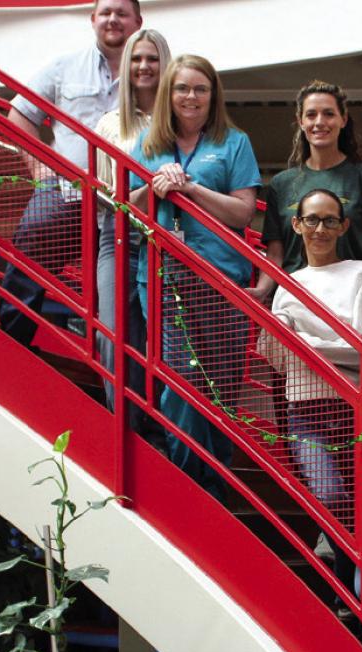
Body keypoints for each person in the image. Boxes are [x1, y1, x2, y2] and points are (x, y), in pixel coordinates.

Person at [129, 54, 261, 500]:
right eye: (183, 88)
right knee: (178, 385)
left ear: (213, 96)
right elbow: (128, 209)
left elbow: (243, 212)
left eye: (200, 89)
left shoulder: (234, 142)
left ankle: (217, 484)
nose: (191, 96)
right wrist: (155, 184)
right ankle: (190, 484)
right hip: (165, 281)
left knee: (221, 388)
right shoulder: (148, 142)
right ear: (169, 93)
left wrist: (191, 188)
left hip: (222, 281)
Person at [0, 0, 144, 346]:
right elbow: (19, 116)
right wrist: (41, 171)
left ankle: (109, 357)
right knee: (31, 246)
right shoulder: (65, 67)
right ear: (92, 19)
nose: (113, 20)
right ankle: (11, 342)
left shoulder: (150, 73)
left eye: (121, 13)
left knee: (115, 288)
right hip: (66, 191)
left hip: (127, 202)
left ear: (137, 21)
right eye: (106, 12)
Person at [260, 189, 362, 509]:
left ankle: (339, 556)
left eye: (330, 220)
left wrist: (301, 340)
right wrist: (338, 341)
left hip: (354, 405)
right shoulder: (287, 283)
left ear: (343, 226)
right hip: (303, 409)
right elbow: (277, 356)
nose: (320, 229)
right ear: (296, 224)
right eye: (312, 220)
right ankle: (336, 550)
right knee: (329, 496)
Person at [255, 81, 362, 300]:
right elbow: (276, 254)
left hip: (351, 299)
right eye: (311, 115)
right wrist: (260, 291)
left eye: (329, 114)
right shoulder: (281, 184)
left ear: (343, 119)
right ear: (300, 121)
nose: (319, 122)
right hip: (296, 299)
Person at [93, 28, 169, 424]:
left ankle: (162, 431)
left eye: (152, 59)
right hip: (119, 237)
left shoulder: (181, 121)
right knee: (115, 334)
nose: (144, 66)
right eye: (137, 59)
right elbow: (106, 198)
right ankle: (126, 425)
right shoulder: (109, 125)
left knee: (167, 342)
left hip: (172, 240)